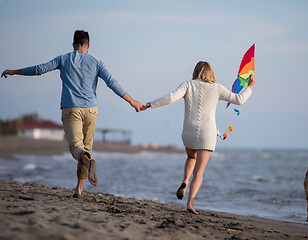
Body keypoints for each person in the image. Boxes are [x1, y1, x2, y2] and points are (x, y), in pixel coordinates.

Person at [1, 30, 145, 198]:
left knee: (77, 148)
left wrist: (14, 71)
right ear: (88, 46)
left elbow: (39, 69)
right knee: (87, 149)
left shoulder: (64, 59)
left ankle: (87, 166)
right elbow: (112, 83)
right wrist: (132, 101)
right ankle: (78, 190)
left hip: (71, 109)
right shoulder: (97, 63)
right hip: (92, 110)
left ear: (73, 45)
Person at [142, 61, 255, 214]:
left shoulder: (188, 85)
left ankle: (185, 180)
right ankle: (190, 203)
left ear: (195, 72)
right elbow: (239, 100)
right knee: (199, 172)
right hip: (207, 134)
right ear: (211, 73)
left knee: (191, 157)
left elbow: (170, 98)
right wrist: (249, 86)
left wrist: (149, 104)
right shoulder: (217, 88)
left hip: (188, 132)